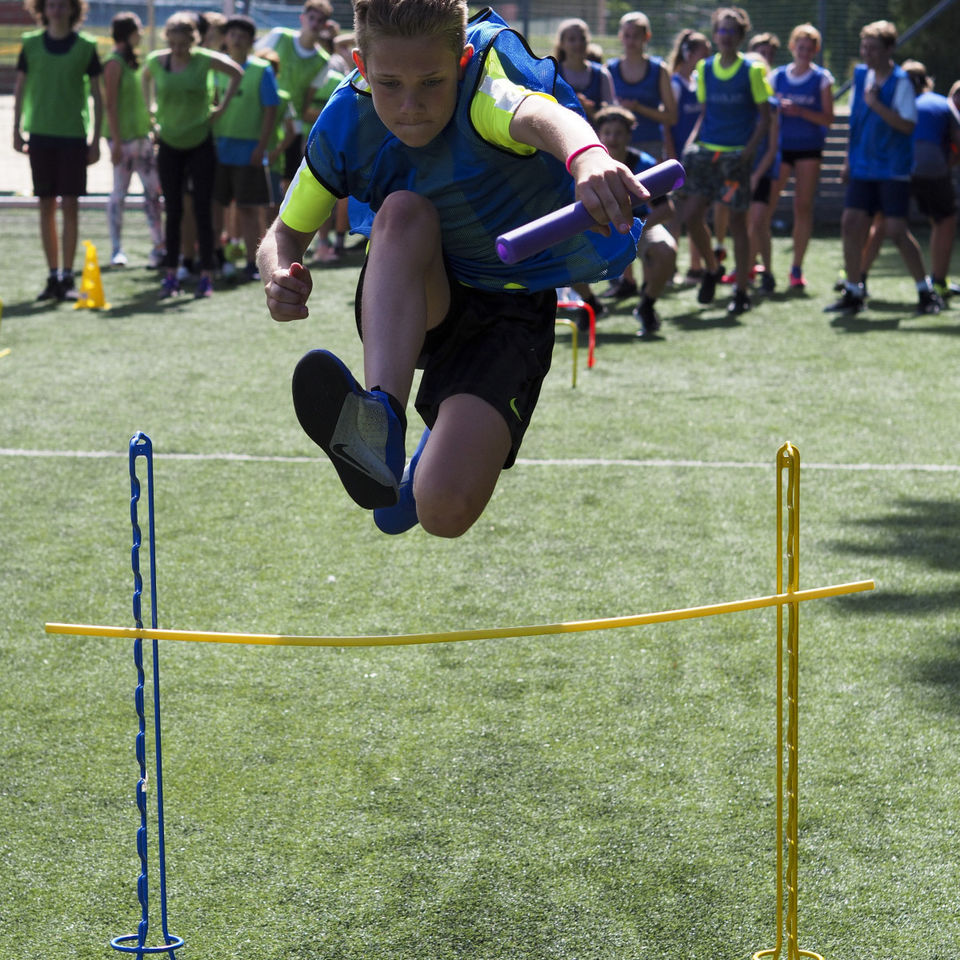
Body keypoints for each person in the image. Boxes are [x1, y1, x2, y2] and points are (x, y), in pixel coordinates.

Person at [257, 0, 647, 539]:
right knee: (401, 211)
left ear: (462, 63)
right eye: (389, 83)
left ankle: (410, 473)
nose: (410, 105)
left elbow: (543, 115)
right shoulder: (348, 118)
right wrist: (278, 275)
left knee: (441, 512)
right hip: (417, 292)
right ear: (361, 65)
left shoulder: (485, 89)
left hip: (509, 308)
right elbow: (283, 233)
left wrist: (589, 158)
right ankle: (381, 417)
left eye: (432, 82)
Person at [825, 20, 942, 316]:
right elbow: (855, 124)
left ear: (889, 49)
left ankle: (925, 291)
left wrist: (877, 105)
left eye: (873, 48)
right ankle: (853, 291)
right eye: (864, 47)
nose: (867, 54)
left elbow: (906, 125)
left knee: (896, 231)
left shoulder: (901, 81)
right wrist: (847, 161)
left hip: (892, 169)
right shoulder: (861, 75)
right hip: (862, 167)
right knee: (850, 225)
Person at [676, 6, 771, 316]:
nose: (726, 36)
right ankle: (713, 268)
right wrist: (690, 145)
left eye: (732, 31)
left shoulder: (752, 71)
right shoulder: (704, 69)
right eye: (721, 30)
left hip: (734, 160)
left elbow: (765, 118)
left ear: (741, 36)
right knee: (691, 216)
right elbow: (705, 115)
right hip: (706, 156)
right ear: (714, 34)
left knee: (736, 224)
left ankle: (741, 291)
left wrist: (748, 152)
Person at [142, 11, 243, 298]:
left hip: (200, 142)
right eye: (173, 44)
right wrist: (151, 112)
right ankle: (171, 274)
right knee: (173, 210)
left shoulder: (203, 59)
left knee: (202, 209)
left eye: (183, 44)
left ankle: (206, 275)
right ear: (167, 41)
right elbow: (145, 79)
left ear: (193, 40)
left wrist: (220, 109)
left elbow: (236, 72)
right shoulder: (157, 61)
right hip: (169, 144)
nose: (178, 50)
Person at [12, 0, 102, 302]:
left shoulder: (86, 46)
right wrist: (16, 127)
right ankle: (52, 275)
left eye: (63, 4)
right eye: (51, 4)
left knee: (71, 207)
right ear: (42, 8)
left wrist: (95, 139)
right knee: (46, 205)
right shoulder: (31, 44)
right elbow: (20, 87)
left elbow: (98, 97)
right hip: (40, 135)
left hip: (73, 136)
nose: (57, 9)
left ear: (73, 9)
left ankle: (67, 275)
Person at [594, 105, 677, 337]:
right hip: (596, 226)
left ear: (629, 136)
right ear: (598, 135)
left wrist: (636, 229)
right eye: (607, 132)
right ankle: (590, 303)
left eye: (618, 133)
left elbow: (666, 210)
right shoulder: (588, 165)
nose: (612, 138)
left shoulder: (644, 163)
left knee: (667, 251)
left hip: (637, 223)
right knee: (560, 251)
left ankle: (646, 306)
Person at [211, 15, 279, 283]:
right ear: (225, 38)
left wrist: (261, 147)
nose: (236, 38)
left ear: (252, 41)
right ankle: (218, 256)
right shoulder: (215, 67)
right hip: (218, 150)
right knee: (217, 206)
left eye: (242, 35)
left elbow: (270, 111)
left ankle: (253, 264)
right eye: (232, 34)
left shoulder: (262, 70)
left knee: (249, 209)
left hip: (249, 150)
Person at [768, 24, 834, 290]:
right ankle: (761, 265)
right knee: (766, 206)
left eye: (810, 48)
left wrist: (800, 112)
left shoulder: (822, 79)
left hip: (808, 149)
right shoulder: (777, 76)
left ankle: (796, 268)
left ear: (815, 50)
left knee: (802, 207)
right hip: (781, 148)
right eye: (800, 47)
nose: (804, 52)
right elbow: (767, 113)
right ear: (792, 47)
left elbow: (828, 119)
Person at [102, 11, 164, 269]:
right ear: (128, 33)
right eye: (137, 30)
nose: (141, 35)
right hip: (123, 140)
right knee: (119, 194)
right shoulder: (114, 63)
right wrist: (116, 142)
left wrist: (151, 126)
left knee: (154, 193)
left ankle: (159, 245)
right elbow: (111, 105)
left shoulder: (133, 62)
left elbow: (137, 101)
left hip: (141, 138)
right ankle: (117, 249)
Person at [902, 60, 960, 300]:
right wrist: (947, 164)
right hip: (932, 170)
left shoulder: (895, 105)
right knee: (945, 220)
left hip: (896, 170)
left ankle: (855, 278)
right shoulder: (941, 104)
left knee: (884, 223)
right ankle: (938, 282)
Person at [663, 28, 711, 287]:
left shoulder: (697, 81)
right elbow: (668, 126)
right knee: (676, 216)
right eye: (704, 53)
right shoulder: (675, 83)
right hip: (679, 161)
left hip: (697, 160)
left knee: (696, 214)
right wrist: (672, 158)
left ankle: (696, 267)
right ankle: (669, 270)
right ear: (689, 53)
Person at [605, 11, 676, 160]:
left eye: (636, 35)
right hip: (615, 146)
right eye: (627, 35)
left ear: (647, 37)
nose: (631, 41)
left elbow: (671, 117)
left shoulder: (659, 69)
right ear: (620, 36)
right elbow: (603, 111)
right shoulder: (609, 69)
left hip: (650, 145)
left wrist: (638, 108)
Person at [553, 18, 615, 126]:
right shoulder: (553, 74)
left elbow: (611, 118)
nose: (578, 44)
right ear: (562, 44)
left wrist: (591, 111)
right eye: (572, 39)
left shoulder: (601, 74)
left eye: (582, 38)